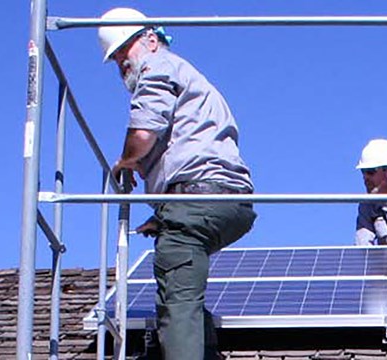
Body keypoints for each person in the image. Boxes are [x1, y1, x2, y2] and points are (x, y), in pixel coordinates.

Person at [98, 8, 257, 360]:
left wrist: (125, 162)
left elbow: (143, 132)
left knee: (178, 300)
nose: (122, 64)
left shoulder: (159, 67)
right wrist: (164, 214)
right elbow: (187, 152)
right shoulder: (189, 79)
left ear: (151, 40)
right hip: (223, 198)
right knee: (185, 290)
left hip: (198, 198)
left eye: (124, 52)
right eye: (116, 60)